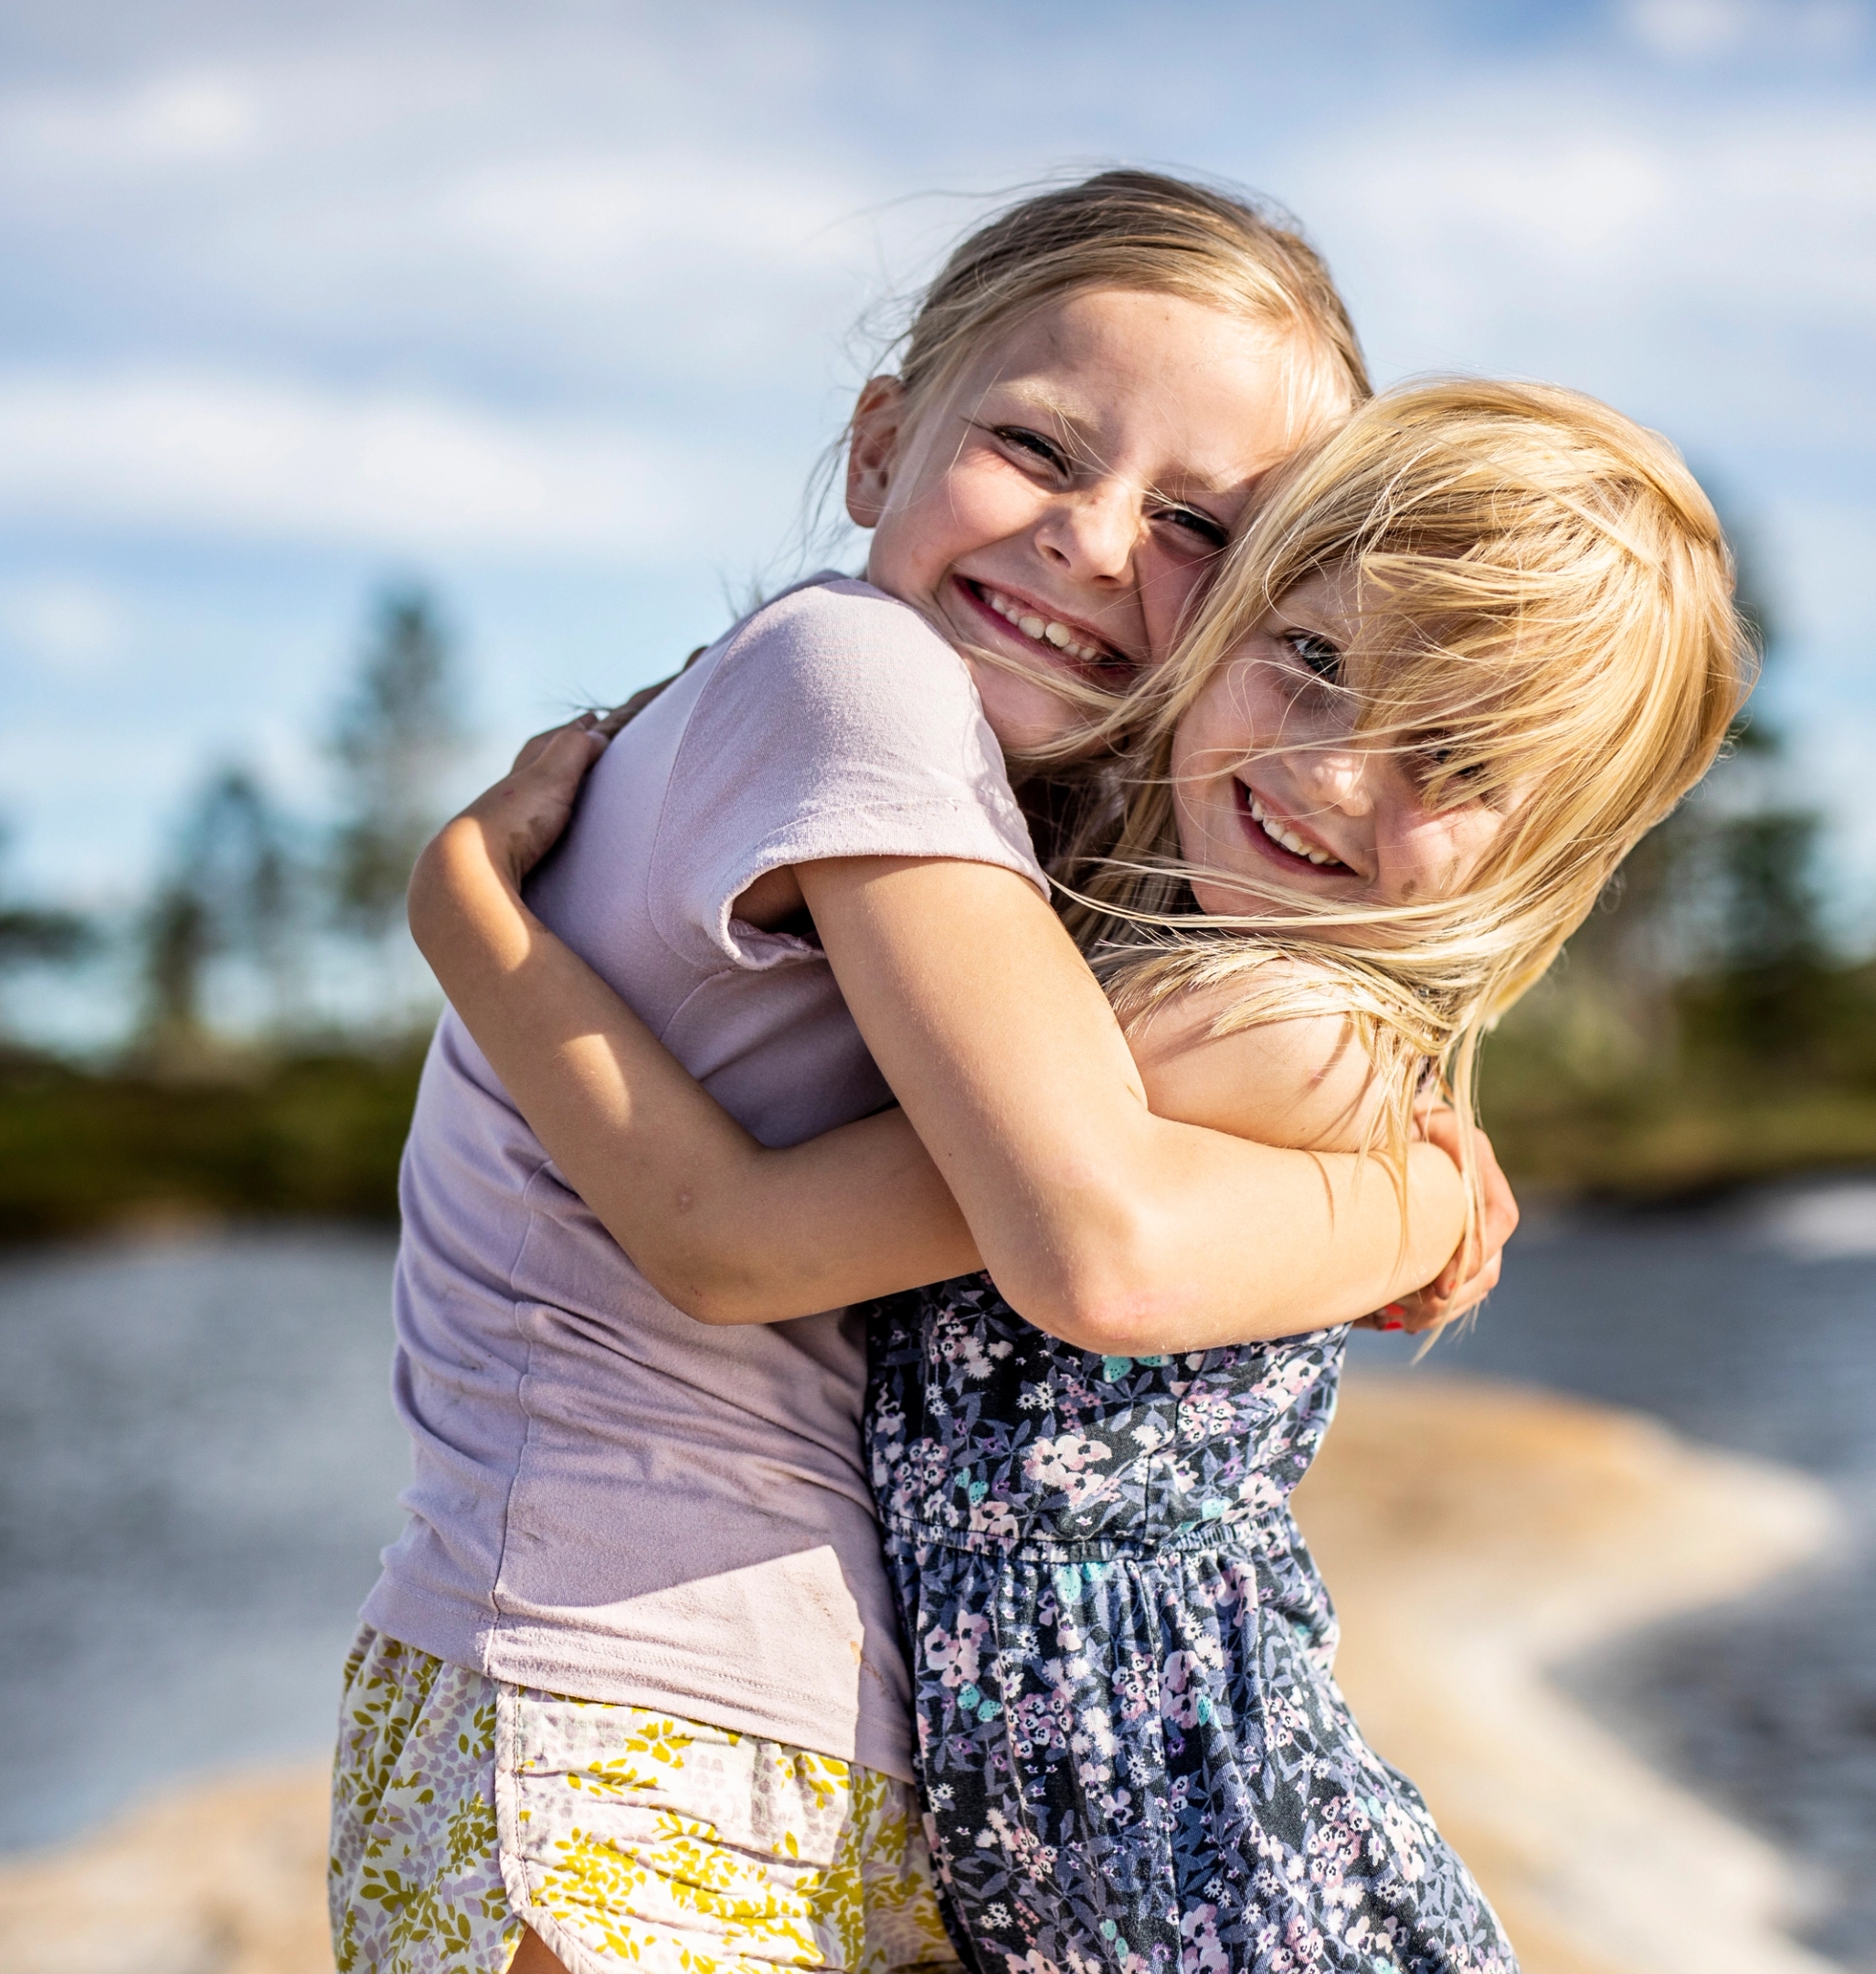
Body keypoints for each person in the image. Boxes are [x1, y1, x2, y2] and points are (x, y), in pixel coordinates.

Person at [418, 377, 1754, 1970]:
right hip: (1087, 1844)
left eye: (1450, 762)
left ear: (1551, 850)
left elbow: (737, 1238)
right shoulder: (1168, 969)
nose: (1336, 774)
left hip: (1210, 1870)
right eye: (1315, 661)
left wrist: (469, 914)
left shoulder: (1248, 1030)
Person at [331, 171, 1507, 1974]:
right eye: (1040, 448)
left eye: (1199, 524)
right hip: (627, 1705)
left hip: (742, 1716)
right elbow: (1068, 1231)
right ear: (882, 444)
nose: (1099, 544)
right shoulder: (861, 677)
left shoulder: (961, 781)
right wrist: (1403, 1195)